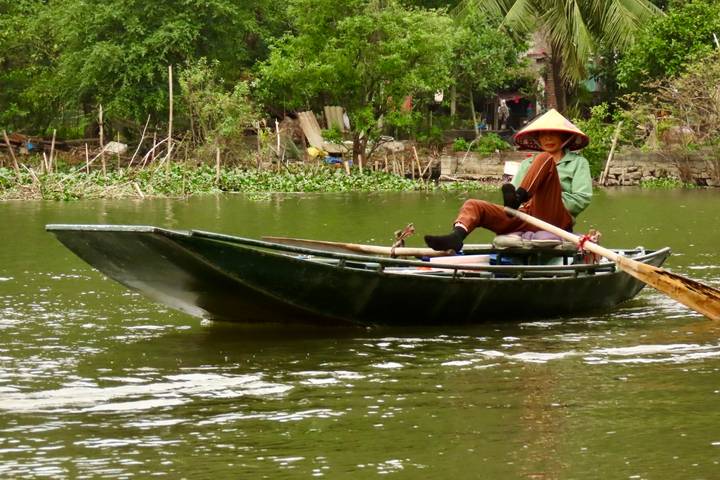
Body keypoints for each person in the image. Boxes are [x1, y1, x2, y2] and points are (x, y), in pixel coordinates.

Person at [424, 109, 592, 252]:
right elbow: (512, 198)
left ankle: (522, 197)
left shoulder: (577, 162)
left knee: (545, 160)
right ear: (538, 138)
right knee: (473, 205)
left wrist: (543, 199)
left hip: (556, 218)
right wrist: (521, 203)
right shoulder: (528, 163)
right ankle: (456, 237)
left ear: (564, 137)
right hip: (526, 214)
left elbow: (581, 198)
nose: (547, 139)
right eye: (543, 135)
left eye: (553, 134)